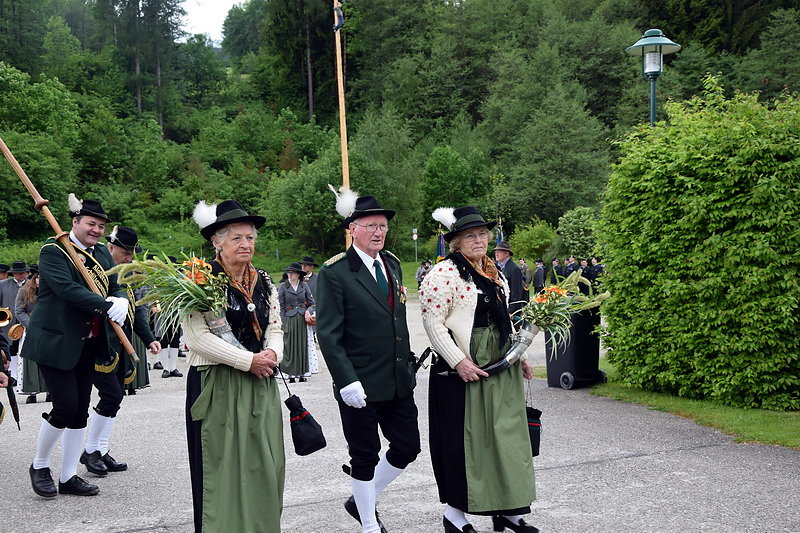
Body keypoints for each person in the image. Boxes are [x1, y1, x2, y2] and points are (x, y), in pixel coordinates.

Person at [422, 205, 538, 533]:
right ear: (455, 242)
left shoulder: (494, 272)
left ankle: (509, 511)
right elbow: (433, 322)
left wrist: (520, 355)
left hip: (501, 365)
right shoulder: (443, 273)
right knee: (465, 442)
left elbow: (504, 320)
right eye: (470, 235)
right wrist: (458, 360)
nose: (479, 240)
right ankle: (454, 516)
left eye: (483, 234)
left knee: (506, 436)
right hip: (462, 368)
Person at [317, 193, 420, 533]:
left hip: (396, 378)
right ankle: (368, 524)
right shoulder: (335, 272)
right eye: (371, 225)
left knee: (408, 446)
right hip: (359, 381)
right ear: (353, 229)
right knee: (365, 456)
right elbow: (329, 335)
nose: (379, 232)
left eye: (383, 226)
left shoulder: (390, 263)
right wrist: (346, 380)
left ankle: (361, 498)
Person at [184, 199, 284, 533]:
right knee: (222, 467)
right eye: (237, 238)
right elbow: (197, 338)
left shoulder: (264, 280)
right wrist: (247, 361)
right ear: (217, 242)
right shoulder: (199, 278)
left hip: (261, 380)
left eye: (250, 238)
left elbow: (275, 327)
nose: (246, 244)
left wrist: (272, 355)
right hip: (217, 382)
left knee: (263, 464)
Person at [25, 195, 130, 498]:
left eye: (100, 225)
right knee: (65, 406)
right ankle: (40, 465)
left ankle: (68, 476)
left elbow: (115, 283)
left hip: (89, 342)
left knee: (81, 410)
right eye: (91, 223)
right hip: (56, 340)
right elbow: (66, 289)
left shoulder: (102, 254)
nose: (96, 230)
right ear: (75, 222)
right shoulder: (53, 250)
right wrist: (106, 304)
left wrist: (120, 297)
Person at [80, 226, 161, 477]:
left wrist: (149, 340)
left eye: (131, 254)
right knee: (111, 395)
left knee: (117, 398)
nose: (129, 259)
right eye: (125, 253)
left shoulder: (125, 278)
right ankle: (90, 451)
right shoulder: (93, 274)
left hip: (120, 346)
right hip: (98, 345)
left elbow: (136, 315)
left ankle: (101, 450)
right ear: (111, 248)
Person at [278, 262, 316, 383]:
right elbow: (280, 306)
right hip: (289, 318)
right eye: (289, 273)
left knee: (301, 346)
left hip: (301, 319)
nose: (290, 275)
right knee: (289, 346)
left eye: (293, 273)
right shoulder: (284, 286)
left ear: (298, 274)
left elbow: (312, 303)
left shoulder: (304, 286)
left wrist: (308, 311)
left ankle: (301, 373)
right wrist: (282, 322)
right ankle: (290, 374)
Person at [15, 271, 48, 404]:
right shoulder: (24, 291)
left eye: (42, 277)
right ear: (34, 278)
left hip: (48, 328)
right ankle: (32, 392)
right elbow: (19, 311)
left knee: (49, 360)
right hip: (31, 329)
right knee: (31, 361)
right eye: (38, 277)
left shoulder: (51, 290)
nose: (40, 280)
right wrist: (31, 324)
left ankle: (50, 391)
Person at [0, 260, 30, 382]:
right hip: (8, 321)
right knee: (11, 349)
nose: (20, 275)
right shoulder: (2, 284)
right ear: (13, 274)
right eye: (18, 273)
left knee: (24, 349)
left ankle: (25, 378)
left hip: (26, 319)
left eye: (23, 273)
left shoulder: (31, 284)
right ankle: (13, 376)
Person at [299, 256, 320, 375]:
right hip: (300, 309)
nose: (303, 267)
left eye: (306, 265)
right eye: (302, 265)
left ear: (311, 267)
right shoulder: (299, 279)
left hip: (314, 308)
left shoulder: (317, 279)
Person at [494, 241, 526, 319]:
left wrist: (510, 311)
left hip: (510, 312)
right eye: (496, 252)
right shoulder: (496, 267)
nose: (496, 254)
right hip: (500, 308)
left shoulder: (514, 269)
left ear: (506, 253)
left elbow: (516, 293)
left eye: (499, 252)